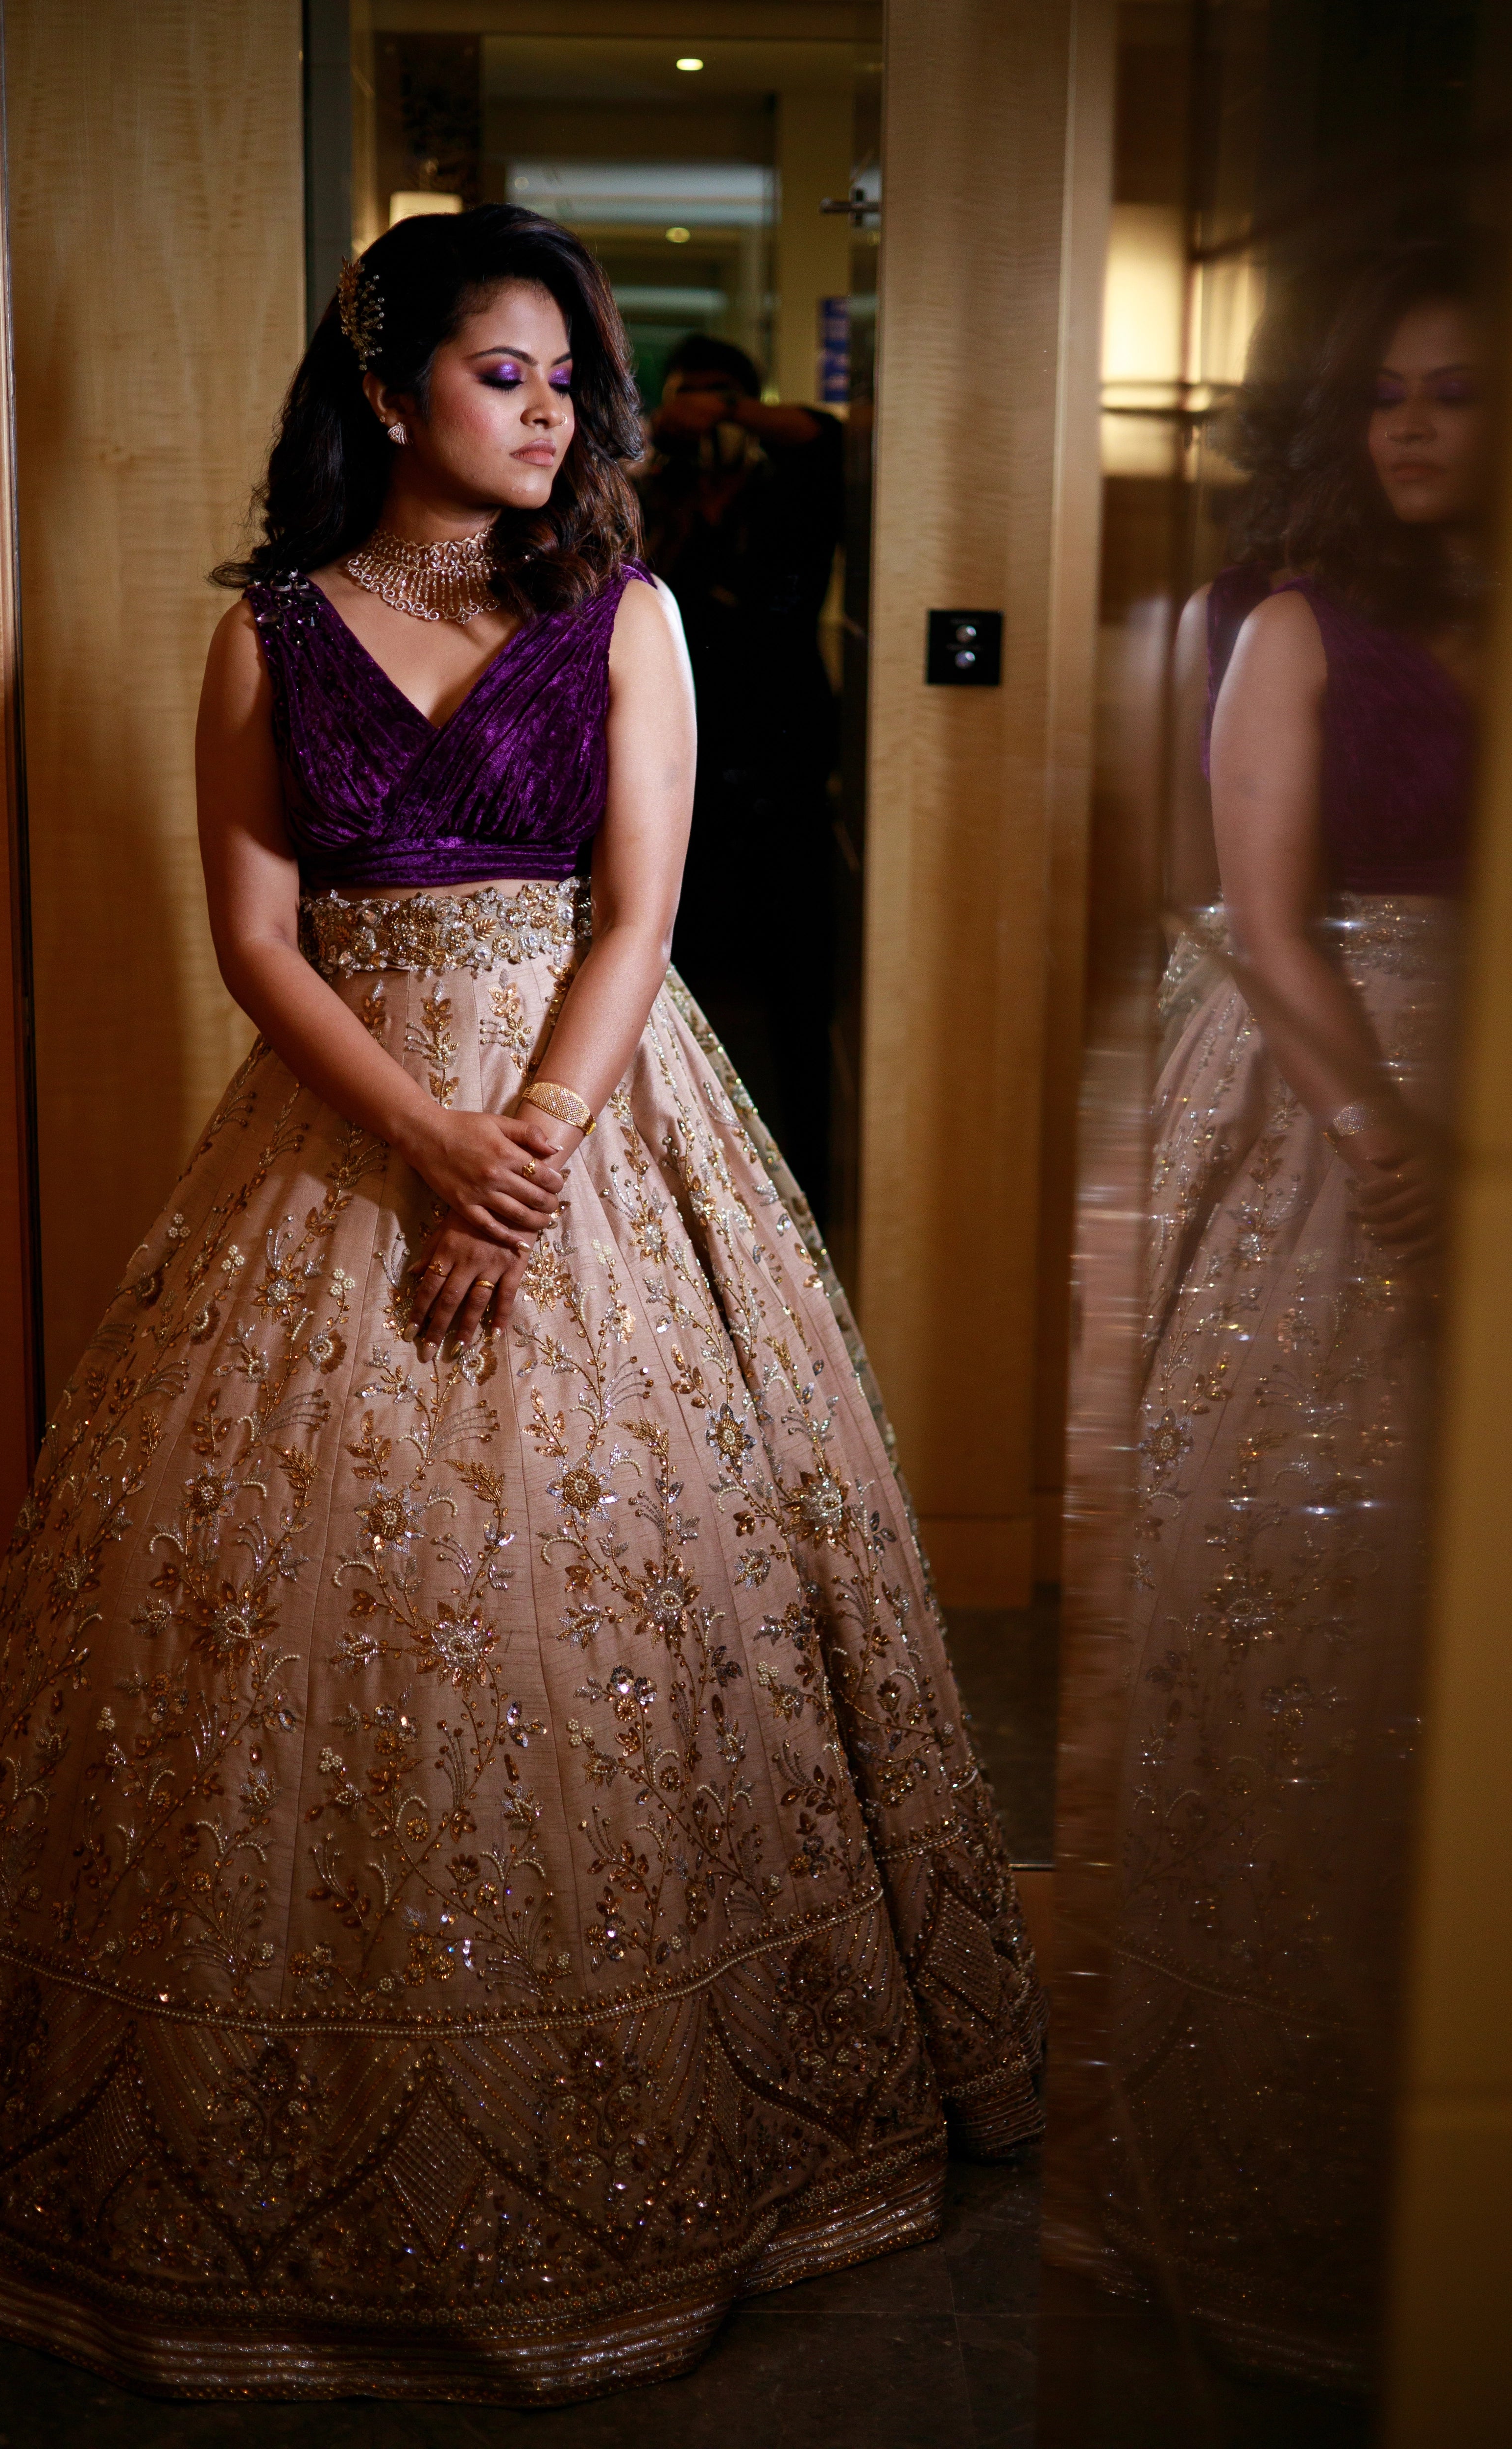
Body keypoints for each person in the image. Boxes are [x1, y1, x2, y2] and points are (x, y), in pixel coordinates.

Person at [0, 206, 1042, 2404]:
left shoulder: (620, 614)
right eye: (507, 371)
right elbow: (254, 939)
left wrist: (521, 1141)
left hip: (592, 1117)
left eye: (566, 384)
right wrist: (423, 1148)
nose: (550, 415)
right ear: (385, 385)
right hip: (338, 1127)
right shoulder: (265, 629)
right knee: (283, 1636)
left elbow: (639, 911)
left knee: (619, 1602)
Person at [1109, 240, 1485, 2386]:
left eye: (1465, 391)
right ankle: (1271, 2153)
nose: (1428, 426)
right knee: (1310, 1618)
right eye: (1395, 391)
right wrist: (1389, 1150)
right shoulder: (1285, 625)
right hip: (1327, 1109)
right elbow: (1256, 921)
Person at [637, 335, 844, 1212]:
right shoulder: (649, 497)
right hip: (676, 799)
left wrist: (726, 414)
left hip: (787, 788)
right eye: (693, 400)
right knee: (679, 1002)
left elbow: (829, 437)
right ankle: (694, 1195)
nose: (710, 418)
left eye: (728, 400)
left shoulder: (789, 492)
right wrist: (661, 435)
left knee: (801, 1005)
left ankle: (809, 1187)